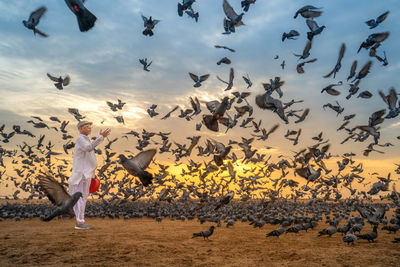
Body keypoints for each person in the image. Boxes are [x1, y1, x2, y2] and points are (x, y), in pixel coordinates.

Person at [68, 121, 110, 229]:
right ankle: (79, 222)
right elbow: (89, 148)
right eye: (87, 127)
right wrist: (101, 137)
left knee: (84, 197)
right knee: (79, 198)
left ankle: (81, 221)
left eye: (90, 127)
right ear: (81, 129)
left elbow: (88, 159)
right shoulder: (81, 139)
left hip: (86, 174)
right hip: (80, 175)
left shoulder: (86, 140)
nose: (89, 129)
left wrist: (92, 174)